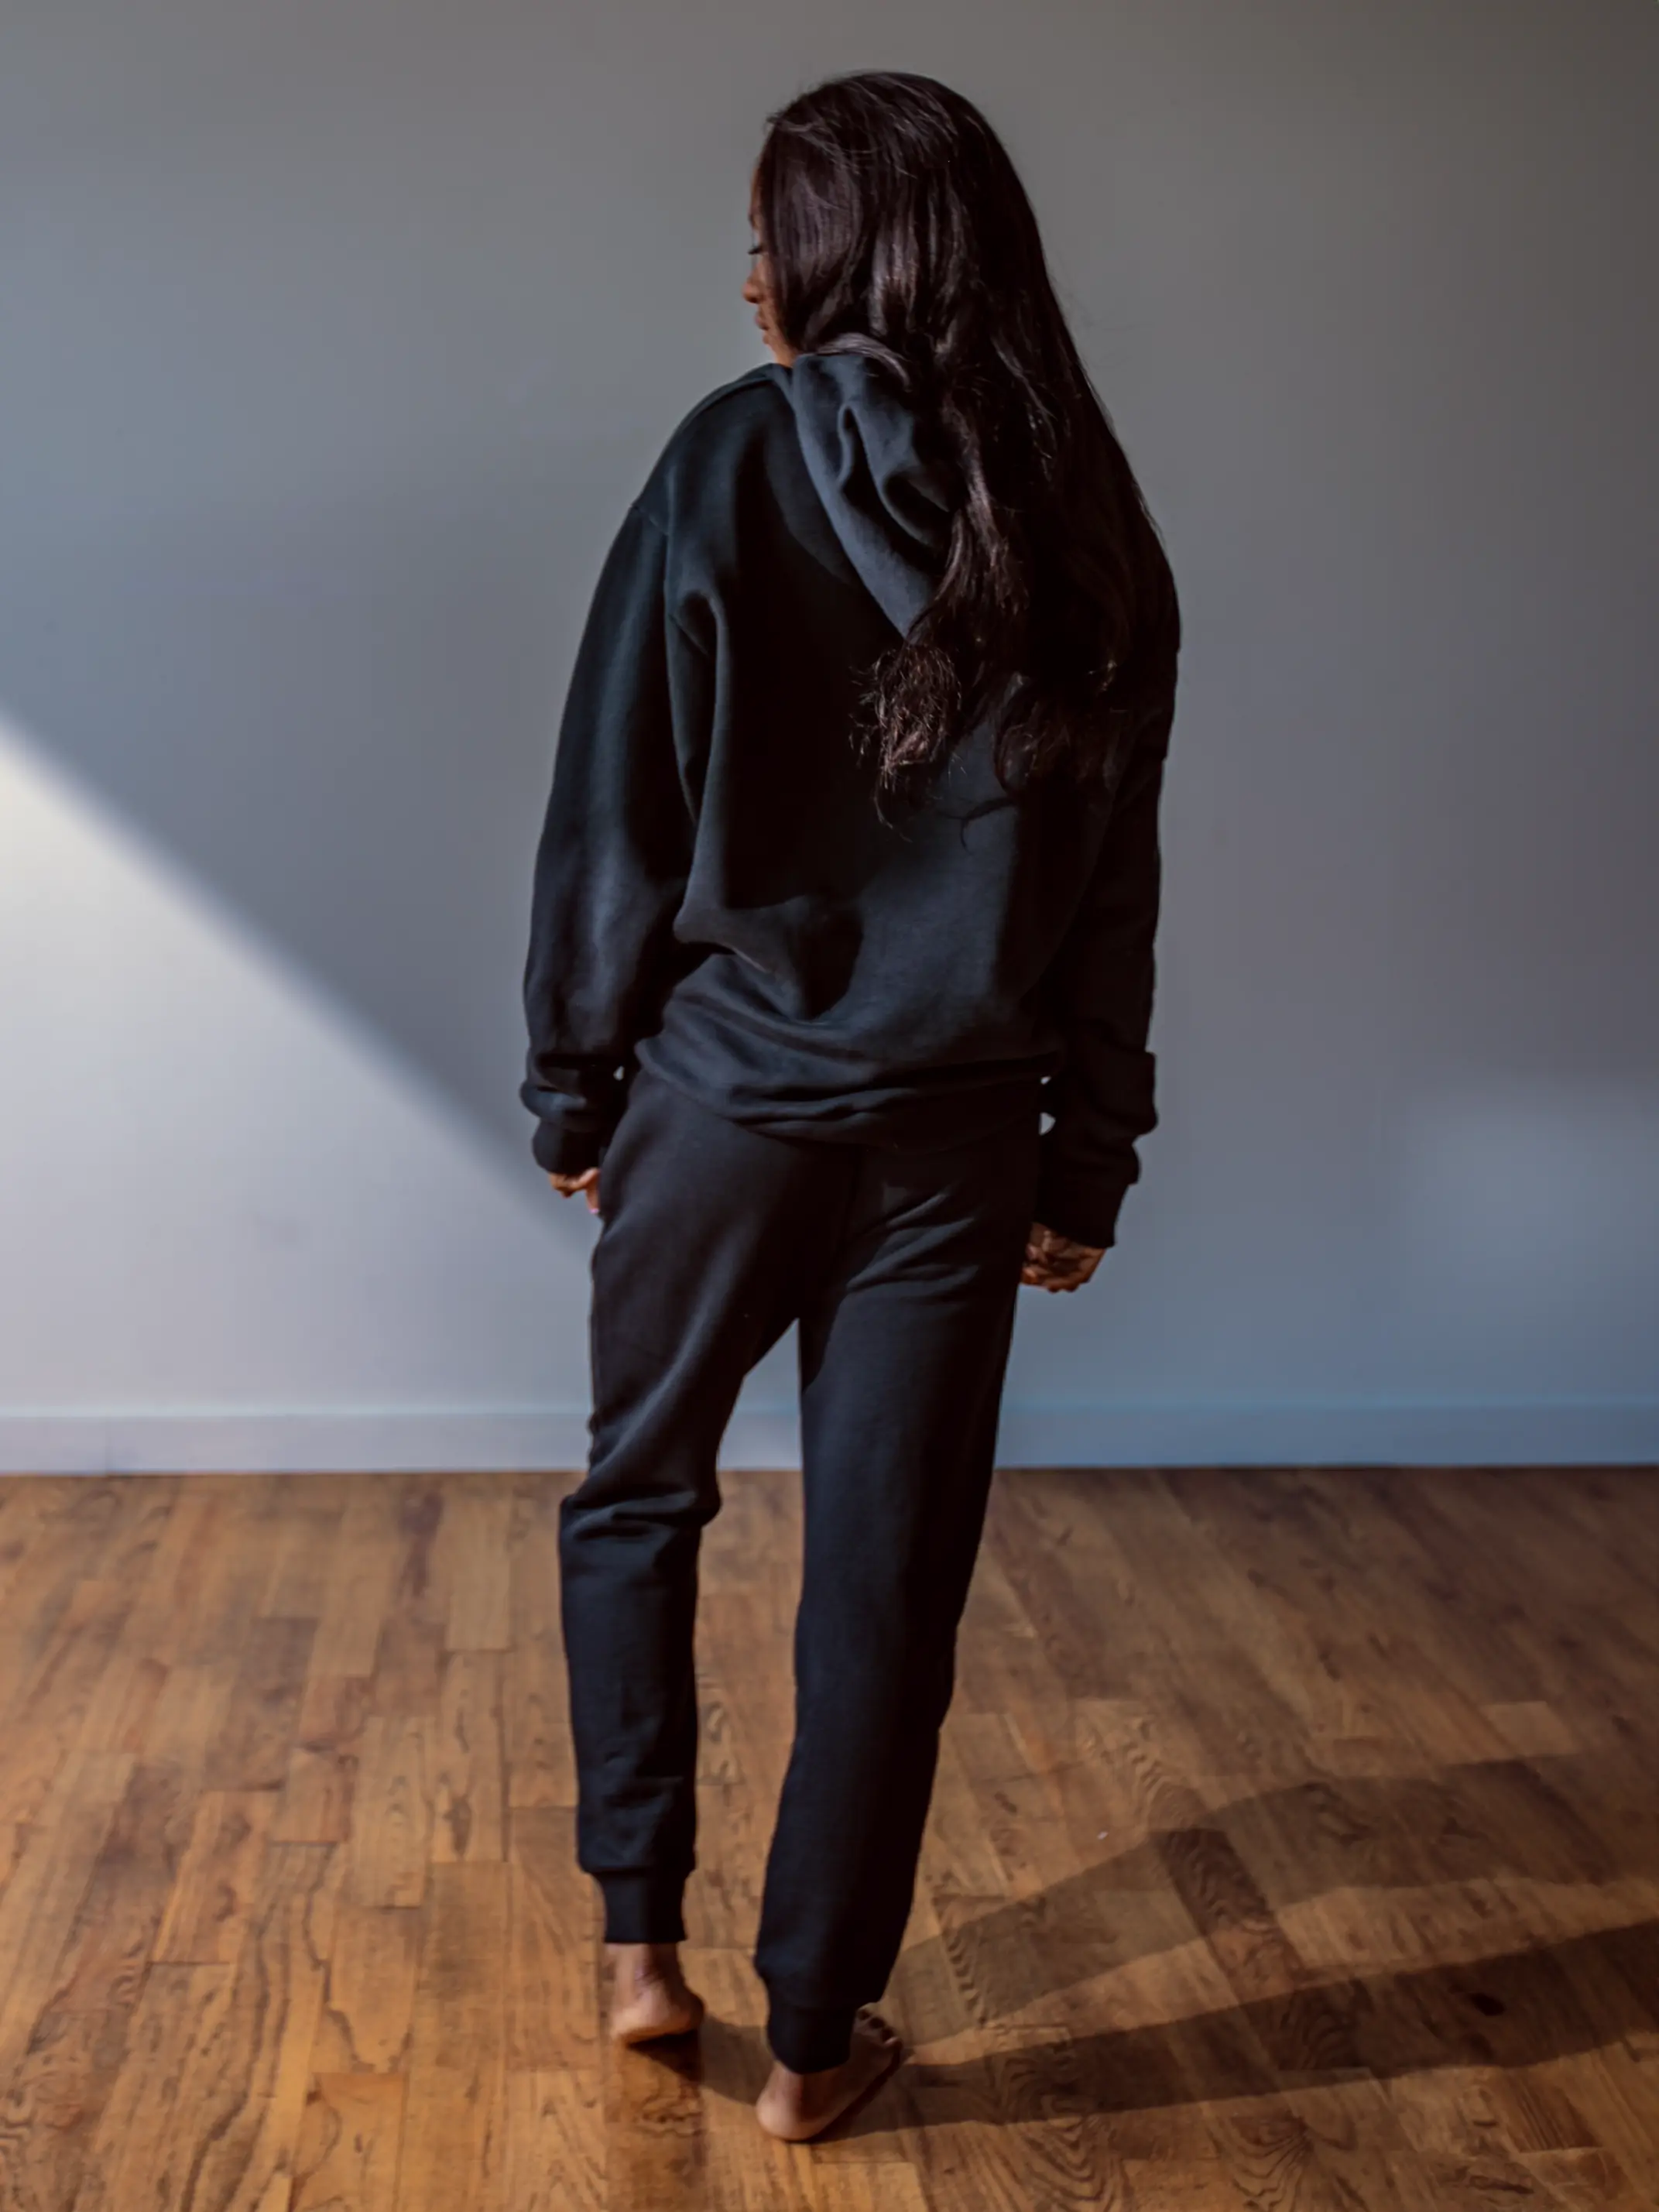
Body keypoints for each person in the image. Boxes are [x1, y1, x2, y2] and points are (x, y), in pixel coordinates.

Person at [520, 69, 1181, 2142]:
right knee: (885, 1572)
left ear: (831, 254)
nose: (743, 272)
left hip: (718, 1104)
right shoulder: (1083, 519)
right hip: (959, 1139)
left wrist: (573, 1084)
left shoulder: (720, 464)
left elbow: (612, 802)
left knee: (637, 1497)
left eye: (765, 231)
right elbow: (1110, 879)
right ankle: (817, 2046)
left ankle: (642, 1949)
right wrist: (1092, 1147)